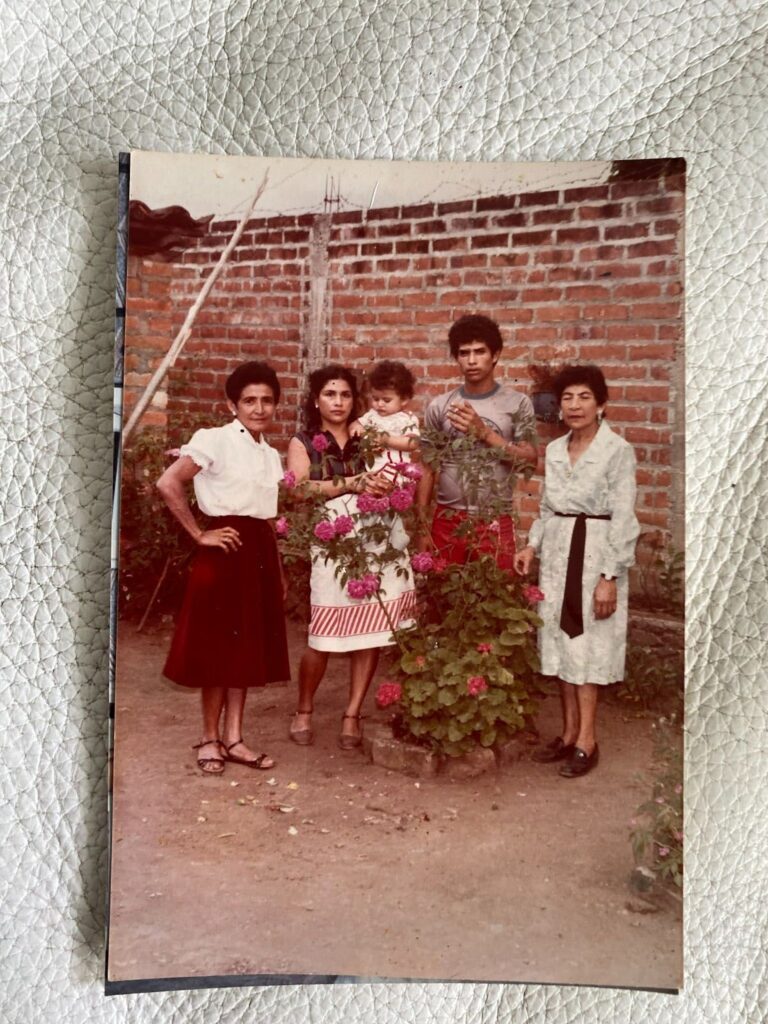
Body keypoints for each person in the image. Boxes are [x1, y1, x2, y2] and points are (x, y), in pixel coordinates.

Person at [157, 361, 289, 775]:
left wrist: (278, 570)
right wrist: (199, 534)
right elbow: (168, 482)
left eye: (267, 400)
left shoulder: (269, 454)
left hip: (259, 553)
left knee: (246, 648)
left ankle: (234, 738)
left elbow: (266, 518)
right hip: (225, 551)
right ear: (233, 404)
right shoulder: (214, 439)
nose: (259, 408)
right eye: (249, 400)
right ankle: (210, 738)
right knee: (217, 648)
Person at [513, 365, 640, 778]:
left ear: (601, 404)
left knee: (588, 645)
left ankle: (588, 740)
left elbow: (624, 517)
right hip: (558, 554)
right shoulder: (554, 450)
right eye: (567, 397)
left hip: (595, 556)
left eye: (584, 397)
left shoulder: (616, 450)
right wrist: (531, 546)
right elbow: (548, 507)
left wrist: (609, 577)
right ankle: (567, 734)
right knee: (560, 641)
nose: (575, 405)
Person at [286, 364, 416, 749]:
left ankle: (352, 714)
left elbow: (402, 466)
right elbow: (299, 490)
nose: (338, 402)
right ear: (316, 400)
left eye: (345, 394)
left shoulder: (368, 434)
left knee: (370, 631)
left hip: (377, 537)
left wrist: (384, 485)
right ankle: (304, 709)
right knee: (323, 632)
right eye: (330, 394)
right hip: (333, 543)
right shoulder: (304, 441)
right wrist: (351, 483)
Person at [417, 314, 538, 569]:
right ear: (456, 357)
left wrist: (485, 433)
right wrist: (422, 527)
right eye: (464, 353)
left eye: (480, 351)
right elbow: (427, 468)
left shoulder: (517, 403)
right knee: (442, 589)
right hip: (447, 518)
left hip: (494, 519)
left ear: (495, 355)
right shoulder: (440, 405)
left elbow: (529, 461)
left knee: (496, 592)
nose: (471, 360)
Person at [350, 359, 420, 474]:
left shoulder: (406, 419)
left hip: (397, 470)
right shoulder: (372, 415)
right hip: (371, 471)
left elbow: (413, 443)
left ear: (404, 399)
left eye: (386, 400)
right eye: (375, 399)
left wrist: (386, 440)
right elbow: (355, 424)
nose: (380, 404)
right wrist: (357, 429)